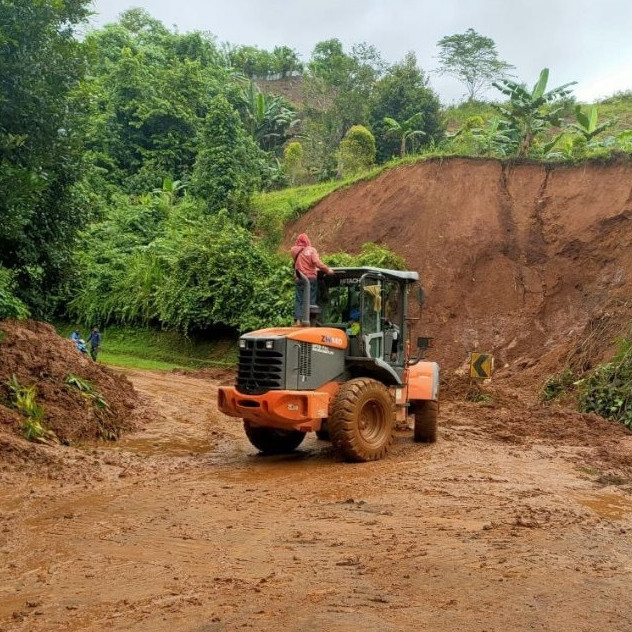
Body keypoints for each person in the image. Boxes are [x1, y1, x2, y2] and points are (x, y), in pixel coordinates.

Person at [290, 233, 334, 326]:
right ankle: (309, 321)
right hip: (310, 279)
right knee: (310, 299)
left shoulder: (294, 250)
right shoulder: (311, 250)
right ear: (307, 240)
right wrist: (327, 270)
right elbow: (316, 262)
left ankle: (298, 321)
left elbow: (297, 262)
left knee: (299, 299)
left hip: (300, 278)